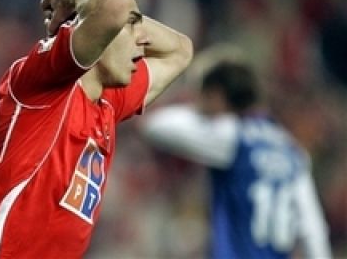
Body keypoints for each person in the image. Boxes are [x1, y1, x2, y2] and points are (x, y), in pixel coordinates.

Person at [0, 0, 193, 258]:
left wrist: (129, 17)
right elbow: (112, 9)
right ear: (93, 30)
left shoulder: (108, 103)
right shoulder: (43, 83)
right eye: (131, 26)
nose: (143, 42)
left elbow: (180, 50)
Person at [140, 61, 332, 258]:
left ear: (215, 95)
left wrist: (202, 112)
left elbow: (155, 126)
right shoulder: (292, 150)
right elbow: (312, 229)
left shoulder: (232, 135)